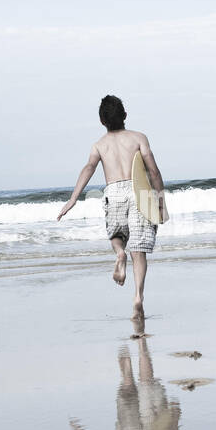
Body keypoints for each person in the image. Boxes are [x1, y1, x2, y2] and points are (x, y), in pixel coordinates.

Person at [57, 94, 167, 321]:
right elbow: (153, 171)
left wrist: (73, 198)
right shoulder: (139, 138)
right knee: (139, 249)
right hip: (139, 190)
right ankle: (138, 297)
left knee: (117, 236)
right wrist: (160, 199)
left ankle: (119, 253)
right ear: (125, 115)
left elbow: (88, 168)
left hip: (114, 192)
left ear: (101, 121)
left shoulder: (99, 145)